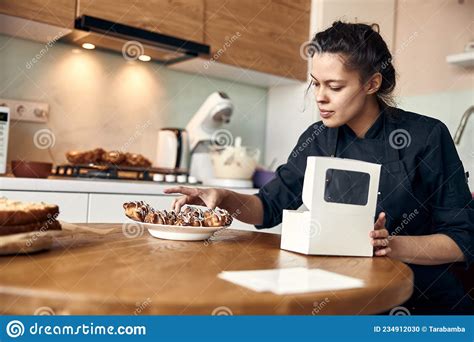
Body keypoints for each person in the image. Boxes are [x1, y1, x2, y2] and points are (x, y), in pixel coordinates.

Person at [164, 21, 474, 314]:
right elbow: (269, 206)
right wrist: (225, 197)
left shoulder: (426, 136)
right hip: (342, 292)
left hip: (423, 300)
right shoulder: (317, 138)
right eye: (315, 84)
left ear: (372, 83)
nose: (320, 98)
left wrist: (391, 244)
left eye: (334, 86)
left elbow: (463, 240)